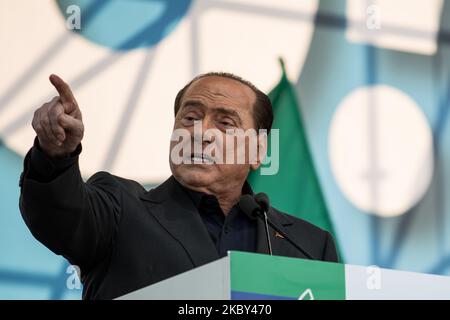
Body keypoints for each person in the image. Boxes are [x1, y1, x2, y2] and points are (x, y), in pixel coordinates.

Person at [19, 73, 338, 300]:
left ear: (258, 151)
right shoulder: (120, 208)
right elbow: (58, 217)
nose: (201, 132)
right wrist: (56, 154)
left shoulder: (308, 246)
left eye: (225, 123)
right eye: (189, 118)